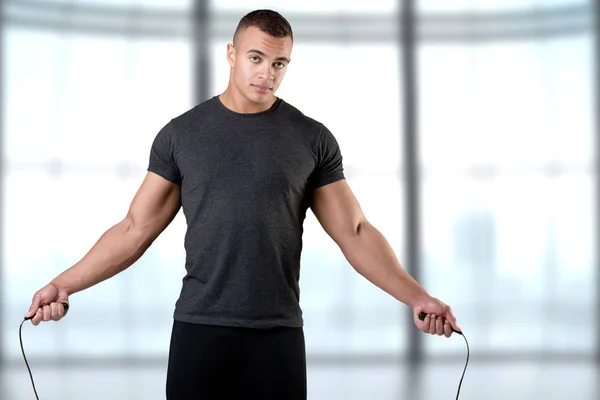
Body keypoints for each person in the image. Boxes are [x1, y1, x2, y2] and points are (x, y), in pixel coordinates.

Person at [24, 9, 461, 400]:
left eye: (279, 63)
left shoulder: (311, 139)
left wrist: (417, 297)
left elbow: (355, 232)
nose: (266, 74)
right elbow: (134, 228)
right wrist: (63, 285)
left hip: (277, 334)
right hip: (199, 329)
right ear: (231, 53)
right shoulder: (181, 135)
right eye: (256, 58)